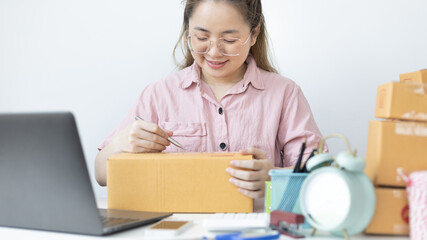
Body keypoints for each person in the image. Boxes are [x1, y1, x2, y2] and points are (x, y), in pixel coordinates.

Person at [95, 0, 324, 210]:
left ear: (254, 34)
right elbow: (102, 176)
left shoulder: (284, 93)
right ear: (188, 33)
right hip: (177, 228)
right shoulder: (159, 93)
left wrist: (273, 178)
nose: (214, 52)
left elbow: (320, 178)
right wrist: (119, 144)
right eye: (202, 38)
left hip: (252, 227)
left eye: (229, 40)